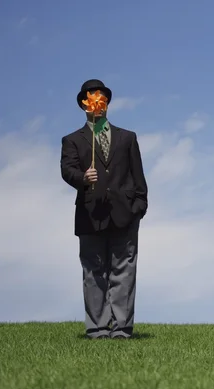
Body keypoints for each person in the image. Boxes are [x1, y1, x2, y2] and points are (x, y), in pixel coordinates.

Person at [60, 79, 148, 339]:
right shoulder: (72, 140)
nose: (97, 104)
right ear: (84, 106)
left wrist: (139, 207)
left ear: (107, 103)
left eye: (101, 99)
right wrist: (82, 177)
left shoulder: (127, 138)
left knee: (124, 270)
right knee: (94, 271)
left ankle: (121, 328)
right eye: (91, 99)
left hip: (125, 214)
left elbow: (138, 175)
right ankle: (97, 328)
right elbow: (67, 170)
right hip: (90, 215)